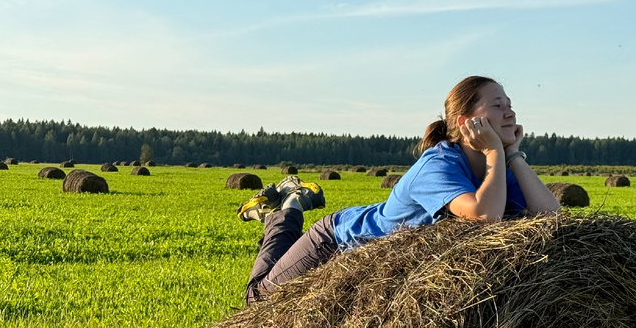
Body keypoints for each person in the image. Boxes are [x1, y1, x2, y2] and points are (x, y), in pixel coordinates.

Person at [238, 75, 561, 304]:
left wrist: (514, 155)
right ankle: (287, 209)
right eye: (497, 105)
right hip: (336, 242)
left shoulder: (498, 172)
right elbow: (485, 215)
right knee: (260, 299)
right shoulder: (438, 164)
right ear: (466, 122)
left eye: (510, 104)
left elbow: (551, 217)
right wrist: (494, 151)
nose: (510, 112)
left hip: (378, 262)